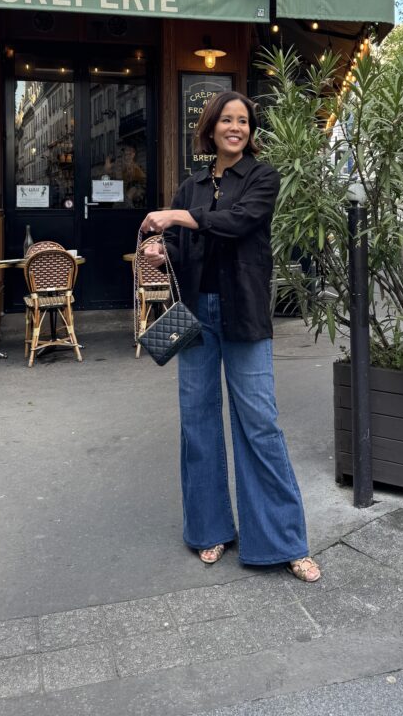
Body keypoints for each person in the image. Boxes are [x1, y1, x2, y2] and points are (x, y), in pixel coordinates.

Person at [140, 91, 321, 583]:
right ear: (211, 127)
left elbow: (239, 223)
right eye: (227, 120)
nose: (235, 127)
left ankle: (283, 541)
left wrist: (177, 218)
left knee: (260, 422)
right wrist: (162, 250)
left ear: (250, 131)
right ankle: (209, 530)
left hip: (244, 314)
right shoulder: (192, 185)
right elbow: (182, 248)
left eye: (243, 121)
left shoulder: (262, 178)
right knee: (197, 420)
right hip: (196, 314)